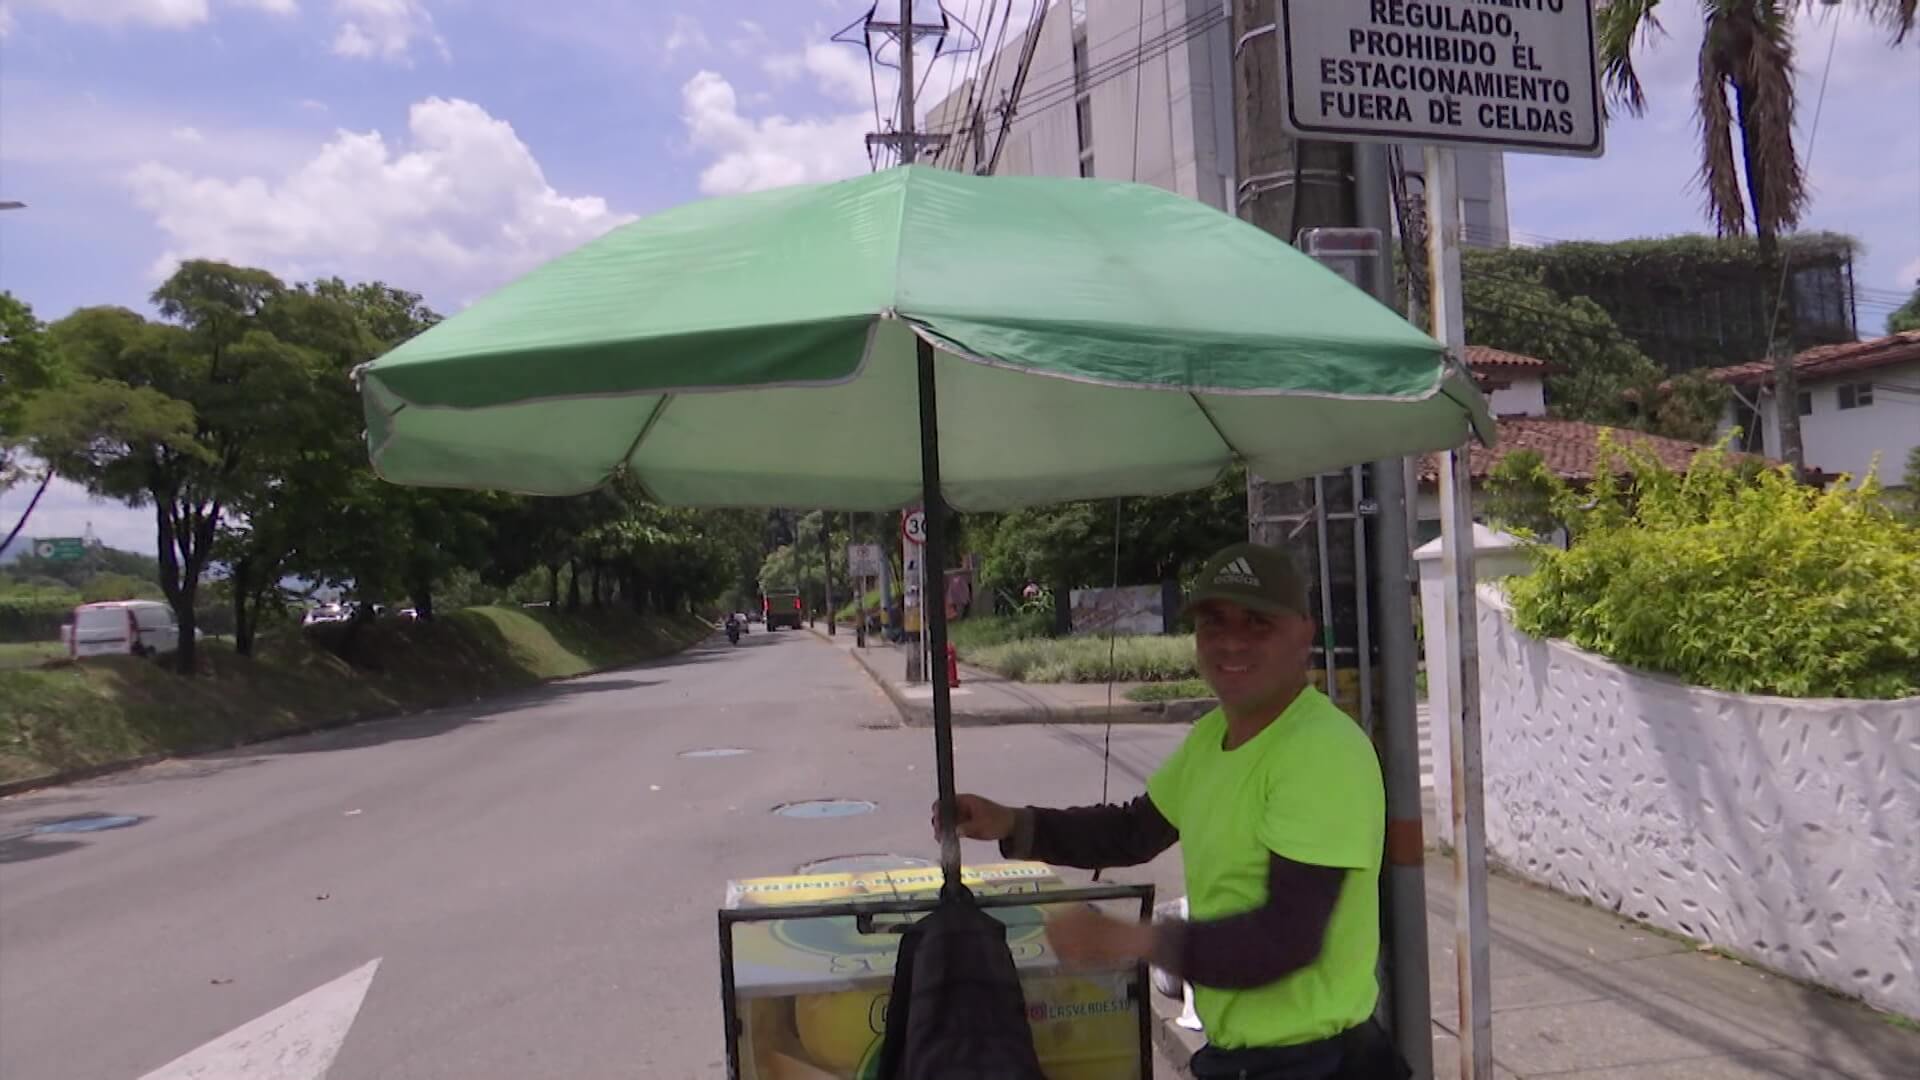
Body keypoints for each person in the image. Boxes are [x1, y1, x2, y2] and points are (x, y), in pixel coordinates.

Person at [937, 542, 1398, 1080]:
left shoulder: (1321, 751)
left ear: (1304, 632)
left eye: (1257, 623)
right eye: (1213, 622)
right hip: (1241, 1055)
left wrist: (1132, 940)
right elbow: (1134, 830)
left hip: (1316, 1061)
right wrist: (1015, 823)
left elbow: (1285, 939)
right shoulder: (1212, 738)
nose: (1230, 641)